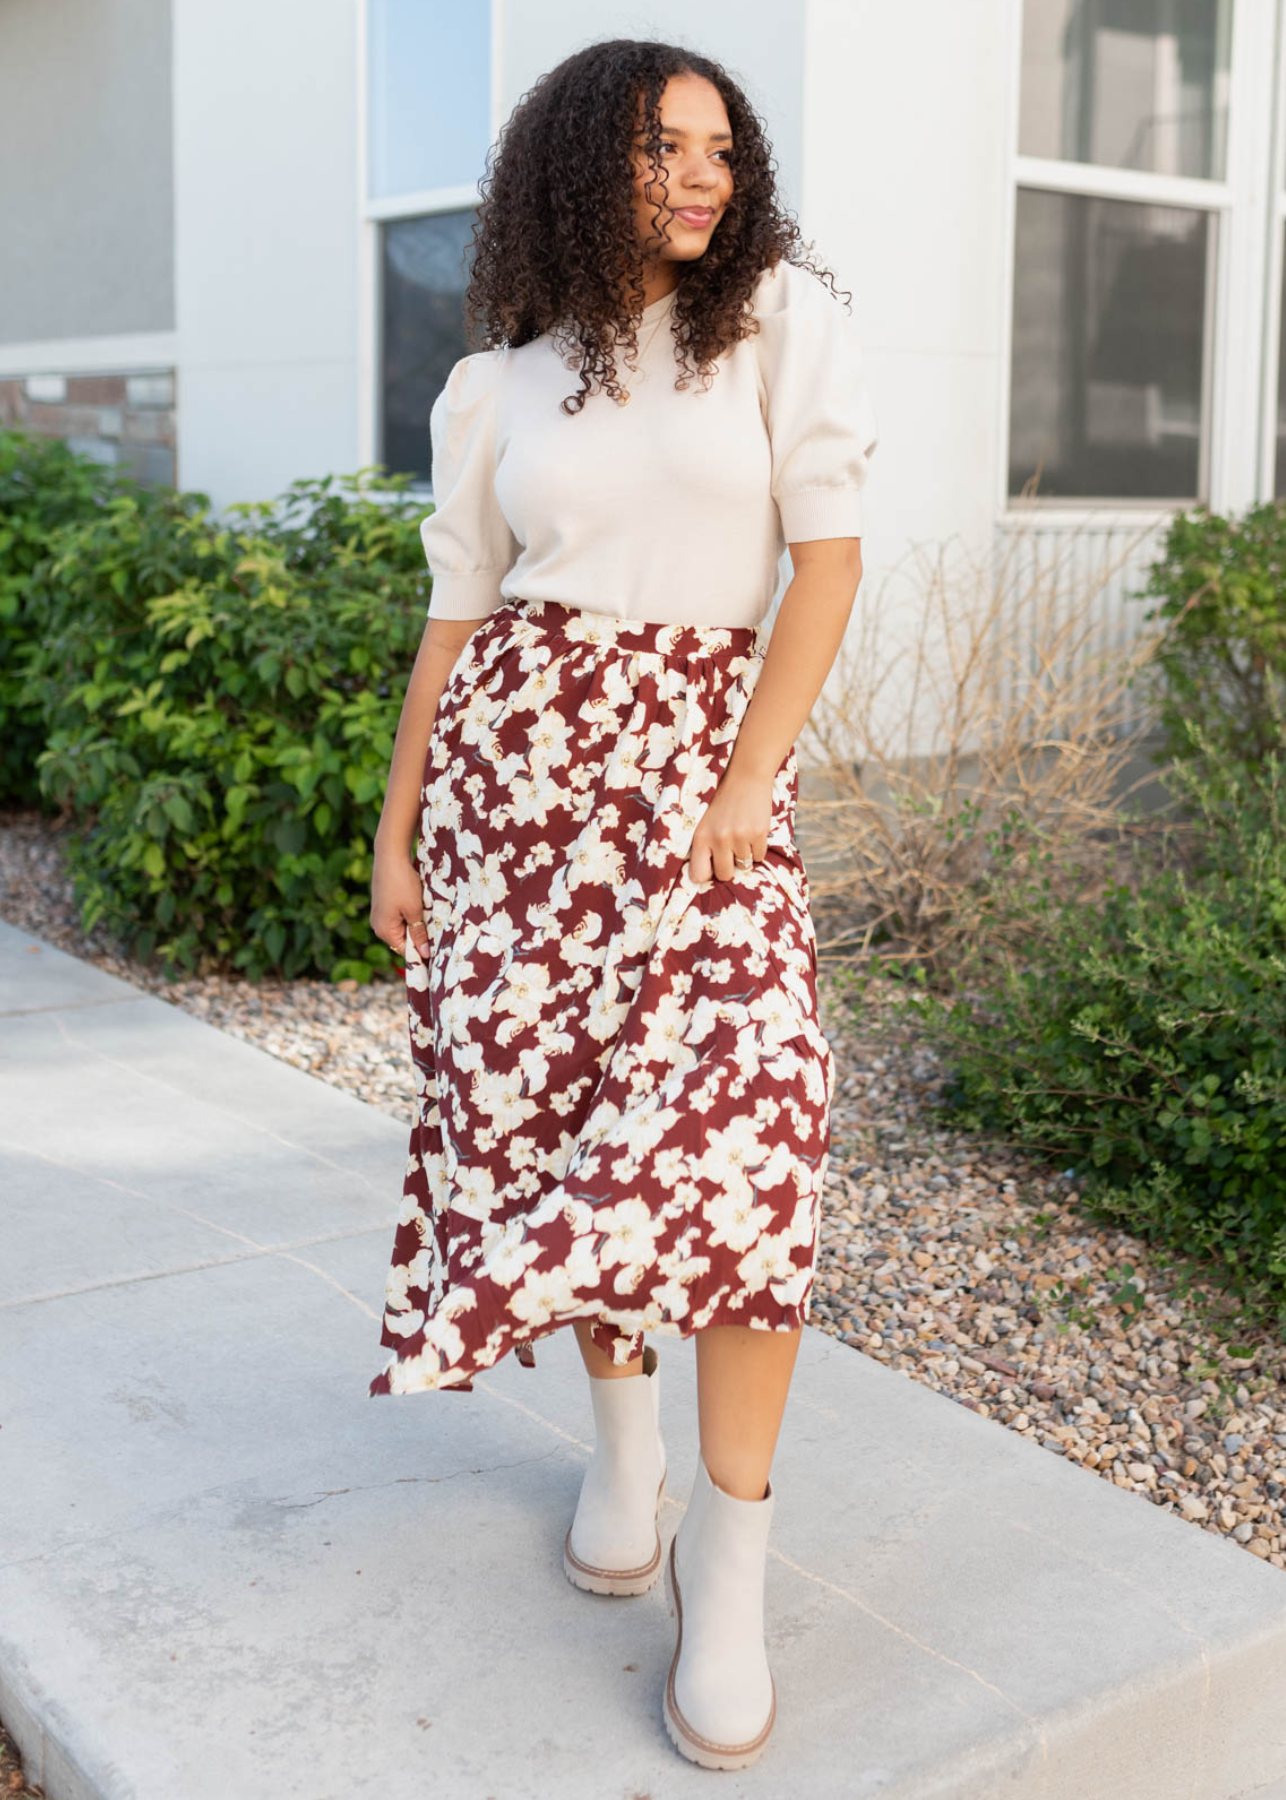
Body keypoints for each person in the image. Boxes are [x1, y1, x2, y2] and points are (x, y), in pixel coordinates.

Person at [367, 37, 878, 1773]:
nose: (700, 175)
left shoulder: (776, 324)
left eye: (721, 149)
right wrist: (398, 834)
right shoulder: (492, 387)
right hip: (519, 798)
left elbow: (829, 557)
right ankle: (621, 1449)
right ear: (584, 161)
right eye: (664, 145)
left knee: (746, 1138)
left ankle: (723, 1578)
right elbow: (457, 620)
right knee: (574, 1127)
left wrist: (746, 779)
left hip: (708, 800)